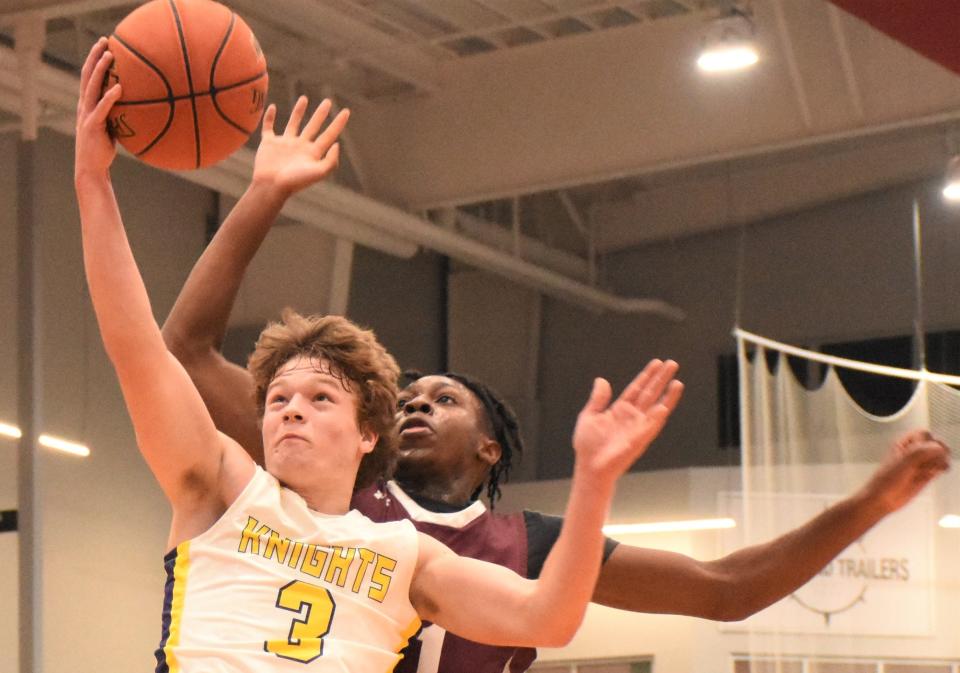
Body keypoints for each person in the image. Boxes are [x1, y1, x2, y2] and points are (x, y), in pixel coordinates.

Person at [158, 51, 953, 673]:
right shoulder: (328, 493)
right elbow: (187, 349)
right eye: (407, 395)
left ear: (490, 447)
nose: (416, 403)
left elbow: (727, 589)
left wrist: (874, 502)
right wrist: (263, 194)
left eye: (445, 396)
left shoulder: (529, 544)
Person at [75, 39, 684, 672]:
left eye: (318, 399)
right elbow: (136, 343)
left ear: (370, 432)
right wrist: (92, 180)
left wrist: (594, 480)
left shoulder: (407, 554)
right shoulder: (221, 483)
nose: (291, 411)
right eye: (278, 399)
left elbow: (548, 621)